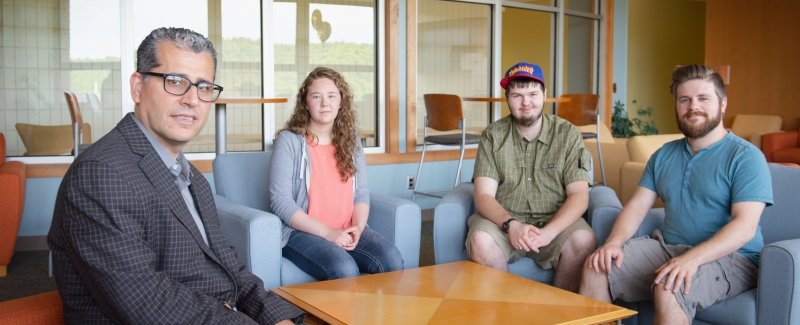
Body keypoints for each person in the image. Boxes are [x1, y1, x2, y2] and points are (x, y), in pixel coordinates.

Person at [48, 27, 303, 324]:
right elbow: (148, 303)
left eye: (204, 86)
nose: (192, 99)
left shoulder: (191, 175)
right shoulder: (101, 175)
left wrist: (276, 318)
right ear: (137, 87)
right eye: (176, 81)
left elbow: (229, 268)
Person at [579, 64, 773, 324]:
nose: (693, 106)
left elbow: (745, 227)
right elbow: (637, 207)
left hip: (734, 258)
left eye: (703, 98)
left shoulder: (745, 157)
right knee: (596, 267)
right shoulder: (664, 155)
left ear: (723, 104)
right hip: (669, 248)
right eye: (685, 99)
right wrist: (613, 242)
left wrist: (691, 259)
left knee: (670, 286)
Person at [466, 61, 596, 292]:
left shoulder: (568, 134)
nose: (526, 103)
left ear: (545, 95)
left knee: (583, 240)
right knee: (480, 241)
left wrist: (549, 233)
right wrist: (511, 225)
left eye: (533, 94)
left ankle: (561, 312)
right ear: (507, 98)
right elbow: (483, 196)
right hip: (504, 222)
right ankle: (505, 314)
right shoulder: (493, 136)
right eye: (517, 96)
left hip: (554, 222)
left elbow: (579, 196)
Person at [268, 67, 403, 281]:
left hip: (346, 228)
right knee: (344, 268)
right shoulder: (289, 141)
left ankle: (379, 315)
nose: (325, 103)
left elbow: (361, 193)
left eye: (332, 96)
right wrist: (328, 233)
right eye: (316, 96)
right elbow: (280, 202)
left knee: (391, 259)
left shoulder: (351, 142)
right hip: (302, 233)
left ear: (341, 102)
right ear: (305, 103)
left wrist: (358, 227)